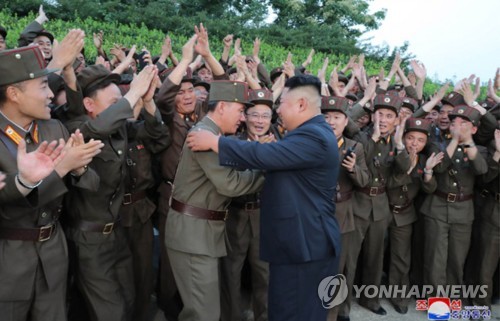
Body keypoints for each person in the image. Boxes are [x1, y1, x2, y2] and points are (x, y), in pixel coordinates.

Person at [187, 74, 341, 321]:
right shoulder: (310, 133)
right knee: (285, 310)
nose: (278, 110)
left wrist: (216, 142)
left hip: (305, 248)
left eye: (282, 103)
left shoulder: (314, 137)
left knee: (296, 313)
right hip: (297, 245)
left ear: (301, 104)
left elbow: (267, 154)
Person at [0, 45, 102, 321]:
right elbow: (10, 206)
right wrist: (57, 169)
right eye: (43, 86)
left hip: (54, 252)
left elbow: (91, 185)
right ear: (14, 94)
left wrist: (79, 169)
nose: (50, 94)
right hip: (9, 258)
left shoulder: (53, 127)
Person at [220, 88, 275, 321]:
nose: (260, 121)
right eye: (254, 115)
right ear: (245, 117)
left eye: (265, 116)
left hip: (263, 216)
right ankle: (232, 316)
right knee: (231, 271)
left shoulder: (277, 143)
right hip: (235, 215)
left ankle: (264, 315)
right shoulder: (232, 142)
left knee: (265, 272)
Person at [321, 95, 369, 321]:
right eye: (326, 116)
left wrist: (353, 170)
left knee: (338, 268)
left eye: (337, 117)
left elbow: (365, 180)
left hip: (342, 213)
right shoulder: (313, 143)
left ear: (345, 121)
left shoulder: (355, 147)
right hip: (315, 213)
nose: (331, 121)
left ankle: (332, 314)